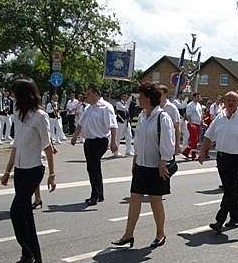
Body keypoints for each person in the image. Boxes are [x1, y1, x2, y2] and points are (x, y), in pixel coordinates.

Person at [1, 79, 56, 263]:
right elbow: (16, 144)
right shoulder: (18, 115)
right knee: (25, 213)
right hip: (20, 169)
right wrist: (8, 171)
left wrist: (52, 174)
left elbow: (48, 146)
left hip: (35, 168)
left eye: (16, 94)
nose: (13, 98)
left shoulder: (40, 116)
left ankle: (27, 253)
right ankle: (35, 254)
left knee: (16, 211)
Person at [112, 82, 175, 249]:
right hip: (141, 164)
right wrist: (135, 158)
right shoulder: (141, 116)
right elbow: (138, 140)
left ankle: (160, 234)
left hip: (157, 166)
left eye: (140, 96)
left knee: (155, 200)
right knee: (135, 198)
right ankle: (128, 234)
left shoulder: (163, 117)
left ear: (148, 98)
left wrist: (164, 161)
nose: (138, 99)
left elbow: (168, 142)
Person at [198, 92, 238, 233]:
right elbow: (208, 136)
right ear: (224, 102)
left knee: (230, 187)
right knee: (231, 188)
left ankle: (220, 219)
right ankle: (236, 217)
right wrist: (202, 152)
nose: (231, 102)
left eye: (234, 100)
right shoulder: (219, 117)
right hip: (222, 157)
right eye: (228, 100)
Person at [70, 85, 118, 205]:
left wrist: (113, 142)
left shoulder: (106, 107)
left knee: (93, 167)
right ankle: (99, 193)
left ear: (96, 94)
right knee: (93, 168)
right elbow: (80, 124)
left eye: (89, 94)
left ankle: (94, 195)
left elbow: (113, 126)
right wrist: (75, 136)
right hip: (89, 141)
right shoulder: (88, 108)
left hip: (100, 141)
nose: (87, 97)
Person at [158, 85, 181, 155]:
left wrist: (177, 144)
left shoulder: (172, 108)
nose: (158, 96)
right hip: (155, 142)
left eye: (160, 94)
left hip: (168, 143)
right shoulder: (154, 107)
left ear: (165, 94)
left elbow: (177, 127)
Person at [182, 92, 203, 159]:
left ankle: (190, 153)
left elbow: (200, 114)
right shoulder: (190, 105)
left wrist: (202, 122)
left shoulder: (199, 105)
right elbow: (188, 115)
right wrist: (190, 124)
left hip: (198, 124)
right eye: (197, 97)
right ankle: (189, 152)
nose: (199, 98)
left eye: (199, 97)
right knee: (194, 139)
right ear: (194, 97)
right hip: (192, 123)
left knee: (196, 140)